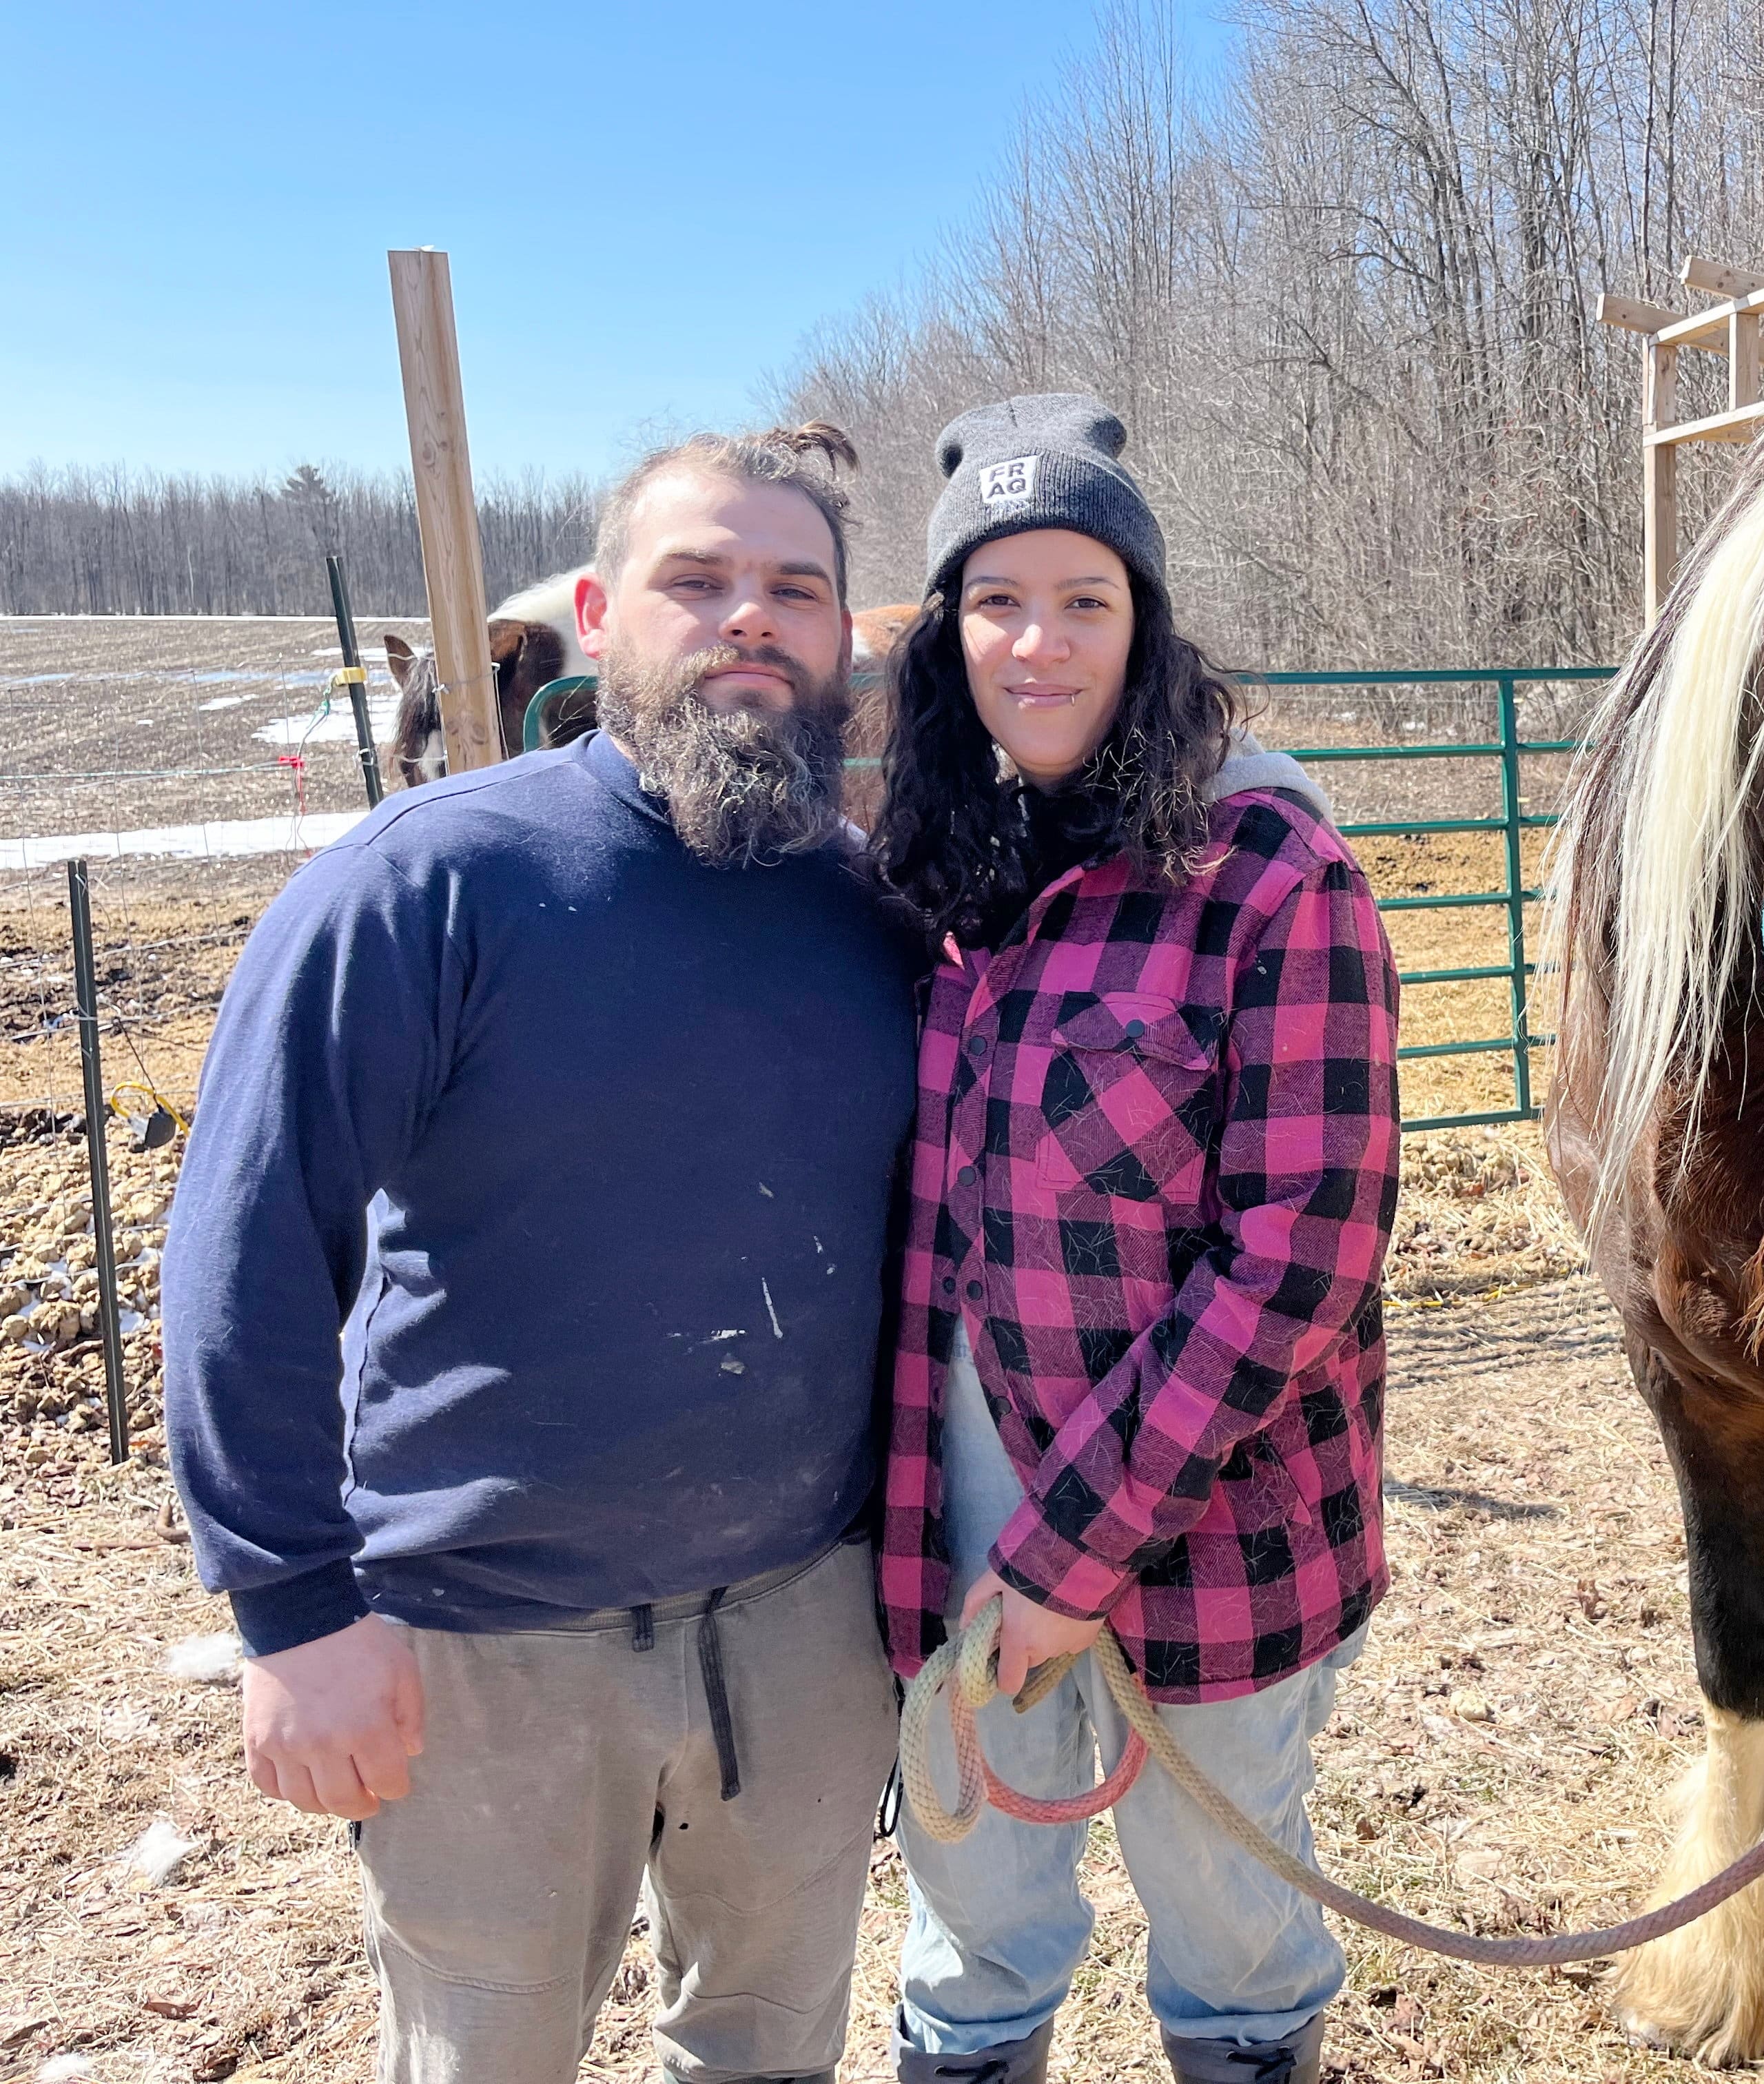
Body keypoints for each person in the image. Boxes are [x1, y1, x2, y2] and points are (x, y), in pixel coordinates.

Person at [165, 426, 921, 2084]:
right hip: (486, 1641)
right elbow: (248, 1256)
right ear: (596, 613)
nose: (749, 619)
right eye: (696, 579)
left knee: (771, 2049)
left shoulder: (880, 914)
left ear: (845, 640)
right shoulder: (429, 887)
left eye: (795, 589)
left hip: (802, 1627)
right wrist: (293, 1615)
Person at [870, 394, 1401, 2084]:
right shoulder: (926, 873)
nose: (1038, 642)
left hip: (1218, 1527)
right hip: (952, 1507)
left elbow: (1303, 1253)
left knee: (1234, 1932)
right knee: (970, 1916)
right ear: (947, 630)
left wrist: (1070, 1552)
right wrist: (998, 1556)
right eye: (995, 599)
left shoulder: (1269, 871)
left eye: (1084, 600)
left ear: (1144, 623)